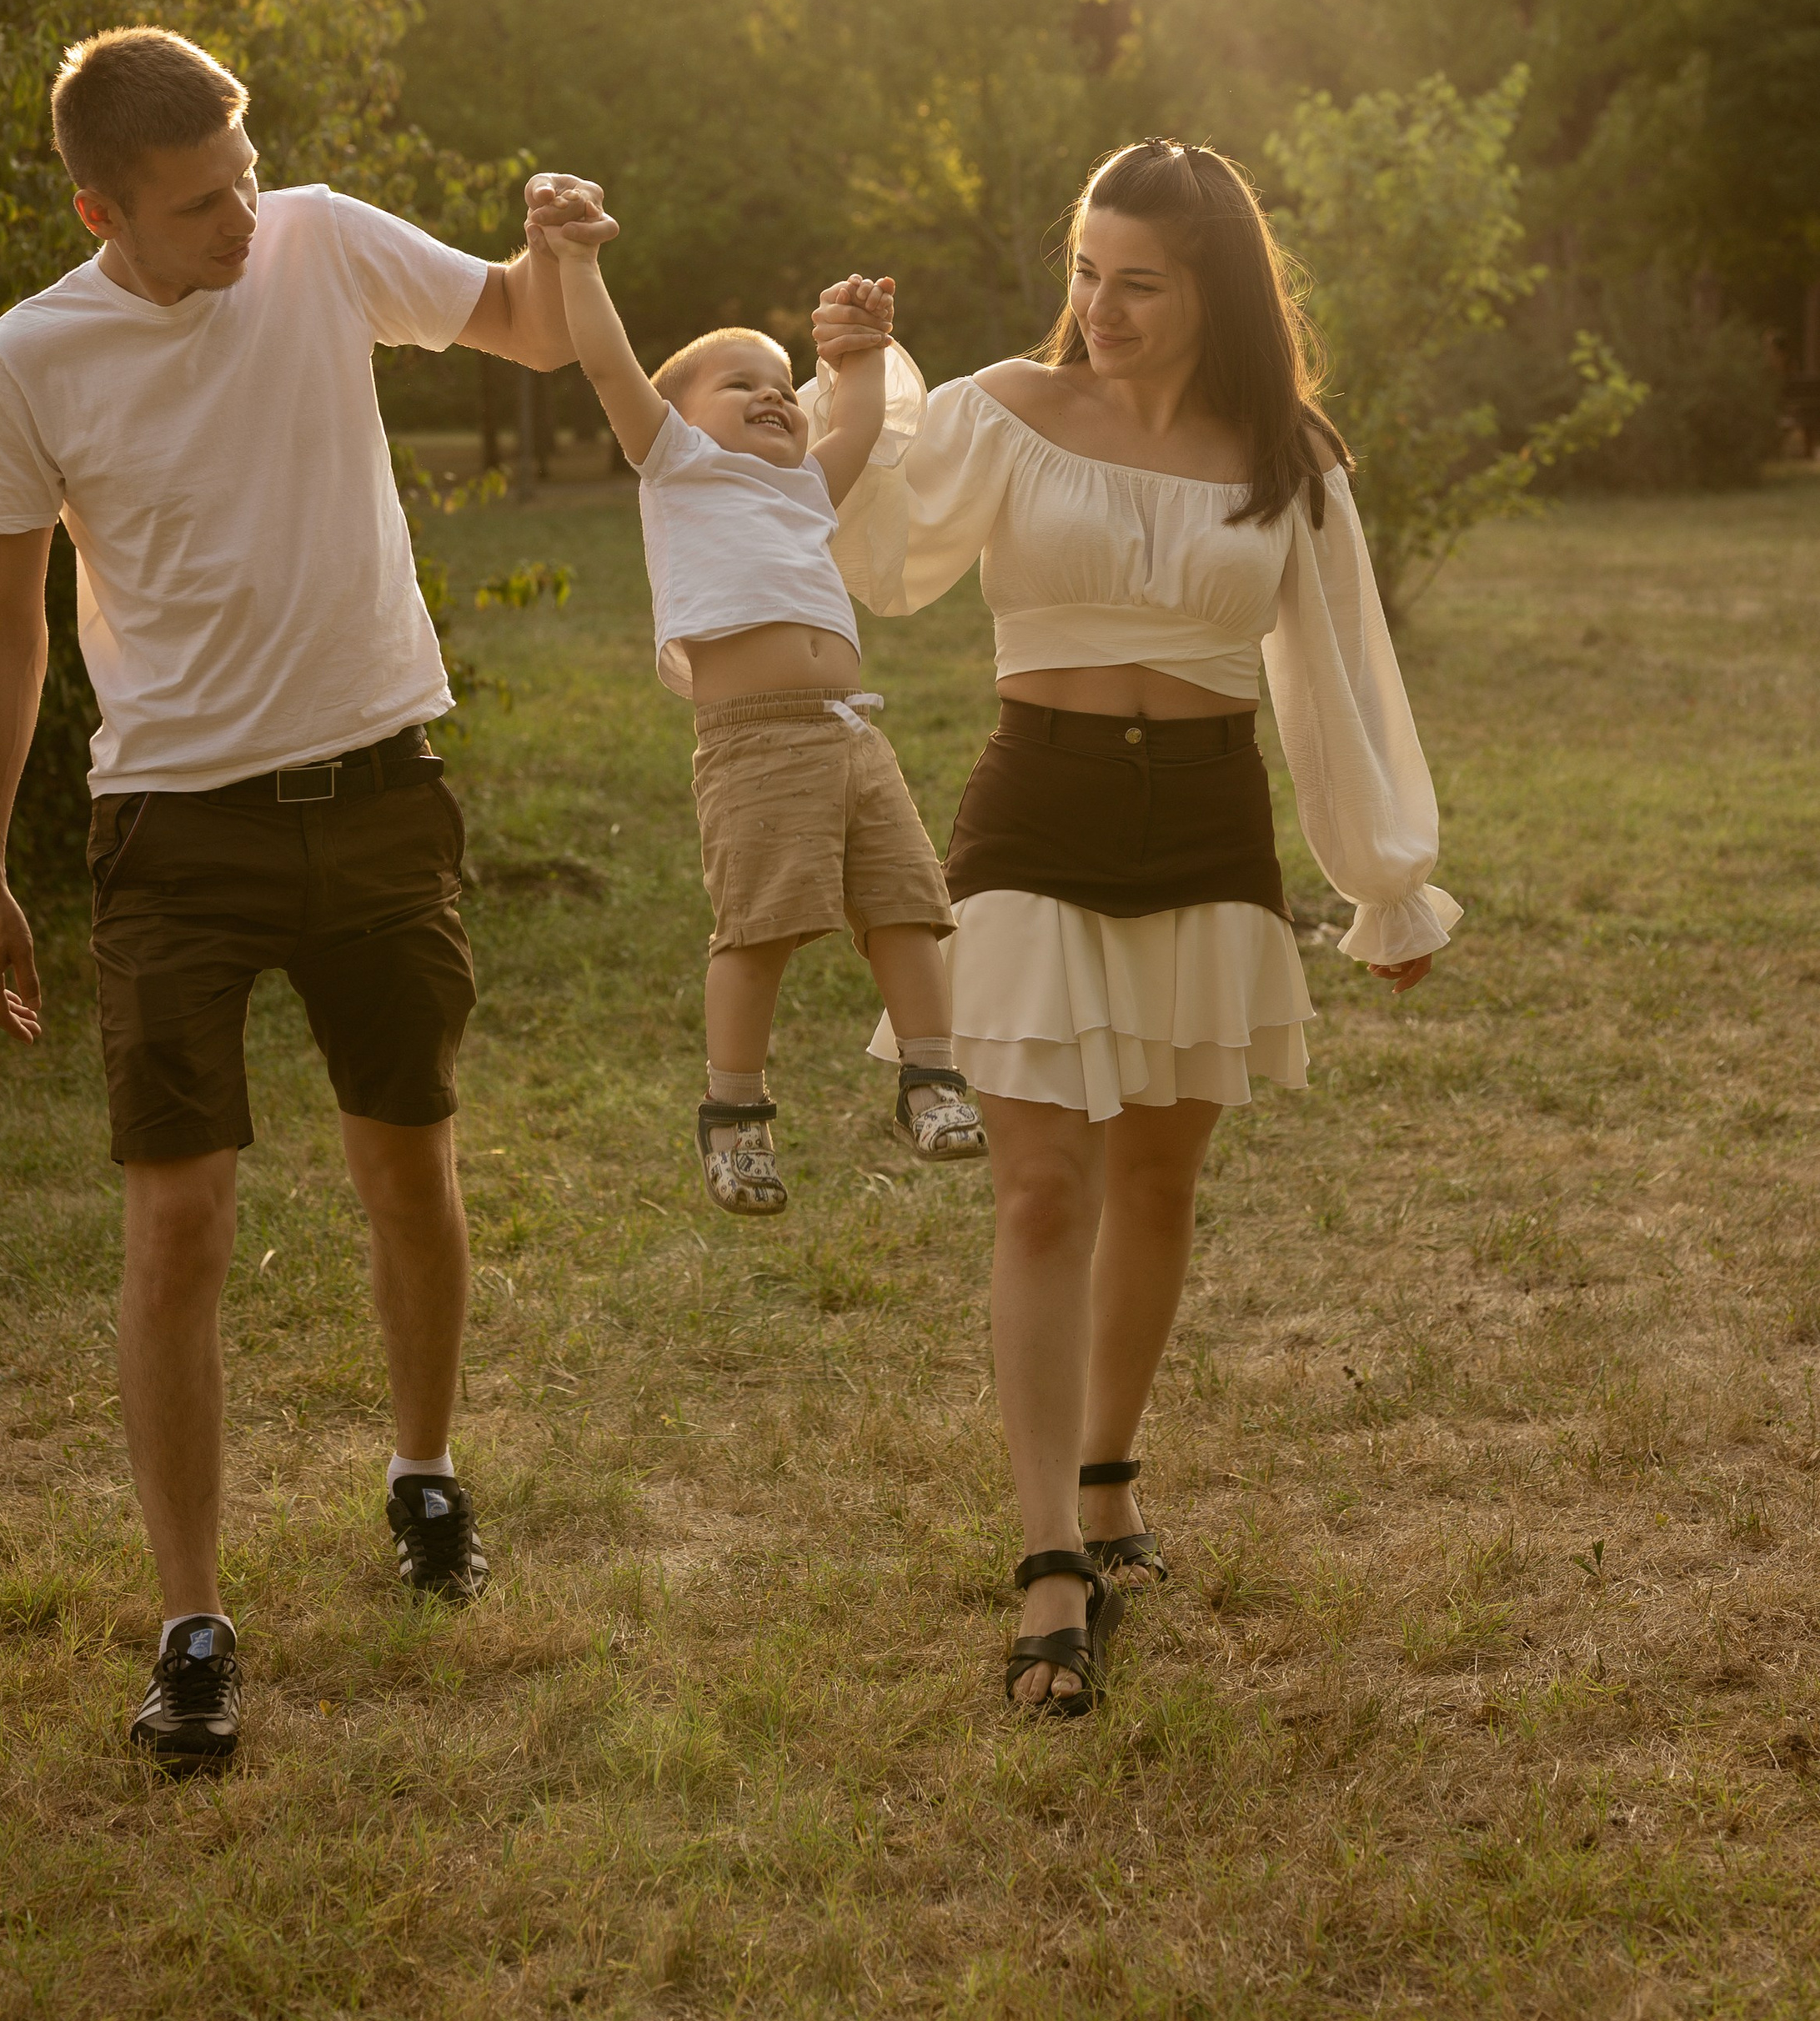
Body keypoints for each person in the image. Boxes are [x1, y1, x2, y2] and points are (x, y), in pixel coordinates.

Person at [0, 24, 609, 1769]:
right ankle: (191, 1620)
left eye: (242, 179)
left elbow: (529, 332)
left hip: (380, 791)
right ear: (103, 207)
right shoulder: (28, 359)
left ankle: (422, 1475)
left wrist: (552, 241)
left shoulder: (317, 235)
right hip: (172, 830)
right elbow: (7, 623)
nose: (237, 222)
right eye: (193, 208)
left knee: (407, 1154)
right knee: (178, 1220)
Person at [810, 141, 1458, 1718]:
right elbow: (881, 556)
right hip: (1036, 813)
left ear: (1212, 288)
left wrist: (1386, 873)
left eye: (1139, 281)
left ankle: (1108, 1478)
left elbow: (1338, 669)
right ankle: (1047, 1562)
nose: (1098, 304)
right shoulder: (1004, 412)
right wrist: (847, 385)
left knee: (1159, 1178)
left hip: (1210, 820)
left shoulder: (1284, 450)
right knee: (1040, 1186)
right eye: (1086, 268)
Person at [539, 212, 985, 1215]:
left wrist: (859, 347)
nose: (774, 393)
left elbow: (859, 422)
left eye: (784, 382)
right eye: (740, 382)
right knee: (759, 929)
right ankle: (734, 1114)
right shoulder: (679, 467)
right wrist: (575, 259)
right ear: (679, 419)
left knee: (909, 903)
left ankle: (931, 1077)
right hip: (755, 744)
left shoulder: (803, 488)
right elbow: (609, 365)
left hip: (851, 731)